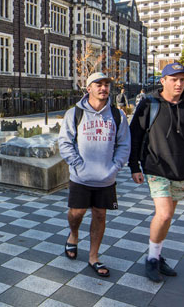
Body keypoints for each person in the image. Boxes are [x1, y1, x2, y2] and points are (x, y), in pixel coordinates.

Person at [128, 63, 184, 283]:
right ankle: (151, 260)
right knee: (164, 213)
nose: (179, 83)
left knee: (167, 218)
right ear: (163, 81)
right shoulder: (149, 104)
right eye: (174, 79)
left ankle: (156, 255)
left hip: (181, 168)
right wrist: (134, 167)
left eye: (182, 79)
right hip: (155, 167)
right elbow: (134, 137)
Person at [58, 73, 130, 278]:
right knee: (77, 213)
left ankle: (94, 256)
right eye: (98, 84)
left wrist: (115, 166)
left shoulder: (117, 115)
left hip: (106, 177)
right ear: (88, 88)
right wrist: (77, 164)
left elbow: (124, 144)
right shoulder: (75, 113)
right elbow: (65, 142)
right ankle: (73, 235)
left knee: (100, 214)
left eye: (107, 84)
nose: (104, 88)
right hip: (81, 176)